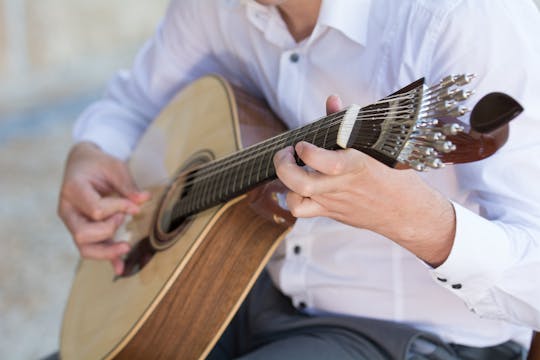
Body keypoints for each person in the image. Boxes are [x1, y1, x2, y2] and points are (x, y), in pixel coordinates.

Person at [58, 0, 540, 358]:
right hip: (241, 292)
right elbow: (134, 105)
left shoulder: (467, 19)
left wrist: (422, 223)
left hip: (410, 335)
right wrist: (92, 152)